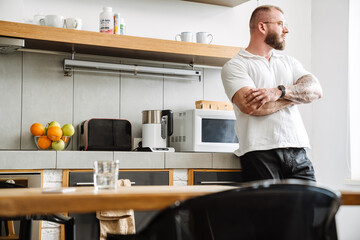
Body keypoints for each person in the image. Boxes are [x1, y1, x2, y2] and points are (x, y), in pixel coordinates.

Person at [221, 5, 322, 182]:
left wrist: (279, 92)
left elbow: (315, 90)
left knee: (308, 209)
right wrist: (296, 97)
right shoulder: (236, 65)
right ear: (262, 27)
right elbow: (251, 107)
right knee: (270, 211)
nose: (287, 30)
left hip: (298, 151)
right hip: (260, 153)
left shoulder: (289, 62)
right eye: (281, 23)